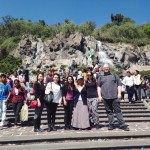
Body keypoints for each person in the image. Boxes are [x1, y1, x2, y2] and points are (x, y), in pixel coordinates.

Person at [97, 64, 129, 131]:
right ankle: (111, 124)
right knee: (109, 111)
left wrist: (119, 93)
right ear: (103, 68)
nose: (106, 69)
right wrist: (99, 96)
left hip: (114, 96)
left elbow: (119, 85)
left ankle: (122, 124)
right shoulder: (100, 77)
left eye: (107, 67)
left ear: (109, 68)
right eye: (105, 67)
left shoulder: (114, 75)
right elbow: (99, 87)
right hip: (105, 97)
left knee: (118, 111)